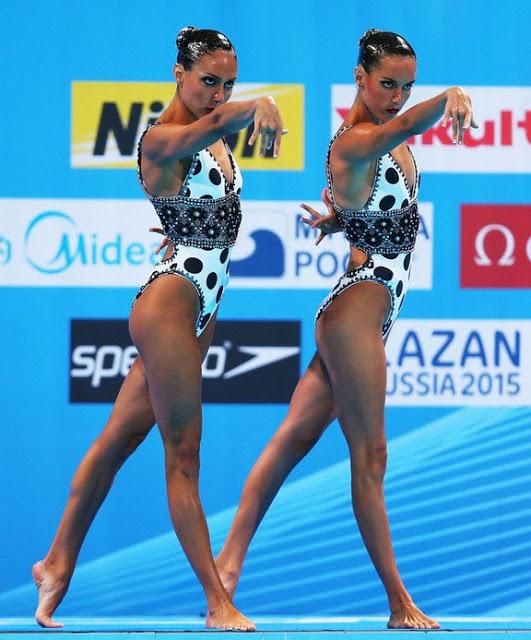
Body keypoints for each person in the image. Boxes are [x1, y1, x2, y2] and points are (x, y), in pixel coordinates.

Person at [215, 29, 476, 629]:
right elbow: (393, 134)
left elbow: (372, 205)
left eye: (408, 87)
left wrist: (340, 221)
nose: (396, 95)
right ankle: (398, 603)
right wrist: (447, 97)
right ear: (359, 77)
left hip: (359, 307)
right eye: (387, 84)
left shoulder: (370, 146)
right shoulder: (359, 139)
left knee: (291, 441)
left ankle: (227, 565)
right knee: (371, 455)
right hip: (357, 312)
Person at [32, 26, 285, 631]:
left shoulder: (211, 132)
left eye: (229, 83)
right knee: (184, 455)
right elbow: (200, 135)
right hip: (171, 304)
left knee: (116, 441)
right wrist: (255, 105)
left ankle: (56, 562)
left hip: (199, 299)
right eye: (208, 81)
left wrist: (184, 227)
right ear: (178, 73)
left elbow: (201, 205)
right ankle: (217, 601)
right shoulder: (163, 136)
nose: (219, 93)